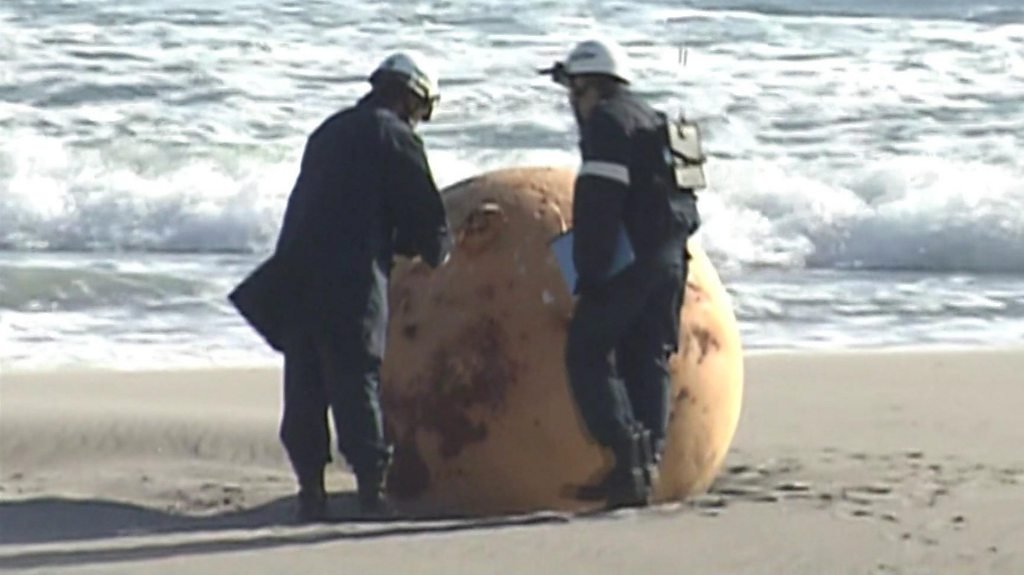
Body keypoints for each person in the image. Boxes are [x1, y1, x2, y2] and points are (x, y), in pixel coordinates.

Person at [230, 51, 453, 521]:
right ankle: (373, 492)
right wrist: (439, 252)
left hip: (296, 275)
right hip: (350, 281)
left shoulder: (329, 130)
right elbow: (425, 217)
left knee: (305, 384)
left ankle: (311, 493)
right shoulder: (396, 138)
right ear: (411, 98)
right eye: (424, 109)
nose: (421, 120)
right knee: (356, 384)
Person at [540, 39, 703, 508]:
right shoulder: (656, 121)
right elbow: (687, 203)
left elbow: (599, 207)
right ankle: (643, 470)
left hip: (631, 261)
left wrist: (589, 273)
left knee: (587, 352)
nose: (572, 100)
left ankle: (624, 453)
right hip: (671, 257)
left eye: (573, 88)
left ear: (590, 84)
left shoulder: (606, 124)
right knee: (648, 357)